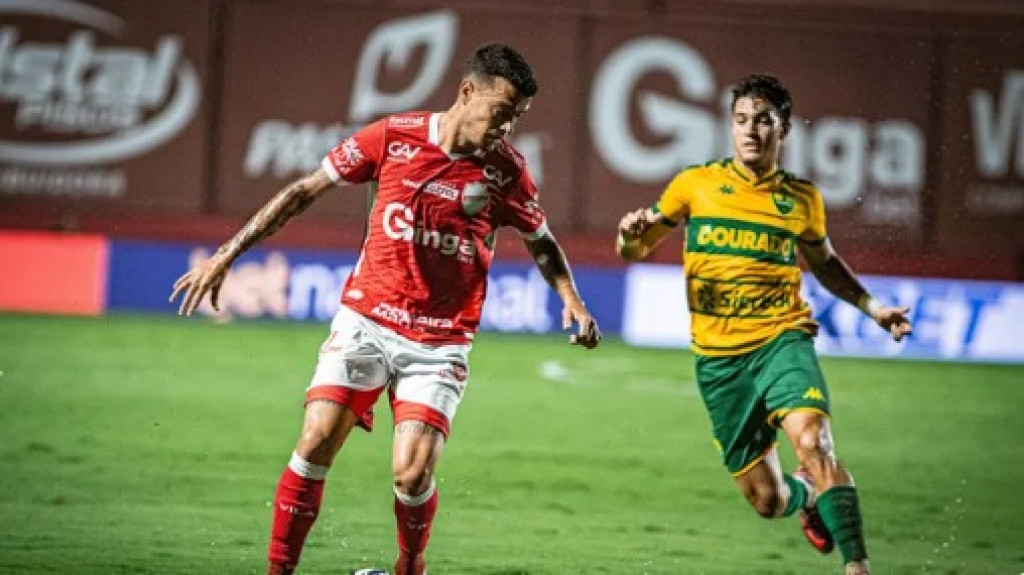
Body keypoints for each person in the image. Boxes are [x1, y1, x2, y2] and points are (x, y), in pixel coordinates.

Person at [170, 43, 601, 575]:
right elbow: (303, 192)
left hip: (440, 340)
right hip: (368, 321)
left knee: (411, 475)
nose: (508, 127)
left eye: (518, 117)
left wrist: (571, 300)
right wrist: (226, 255)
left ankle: (409, 567)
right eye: (502, 111)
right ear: (467, 91)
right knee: (315, 440)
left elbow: (541, 240)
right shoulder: (394, 137)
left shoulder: (507, 171)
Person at [614, 73, 912, 575]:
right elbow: (633, 250)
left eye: (763, 120)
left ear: (784, 129)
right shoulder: (694, 185)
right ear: (730, 126)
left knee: (813, 442)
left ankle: (857, 565)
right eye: (741, 120)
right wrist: (628, 236)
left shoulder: (802, 199)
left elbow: (825, 263)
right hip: (719, 363)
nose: (751, 130)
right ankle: (809, 497)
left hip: (781, 340)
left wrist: (873, 307)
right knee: (768, 501)